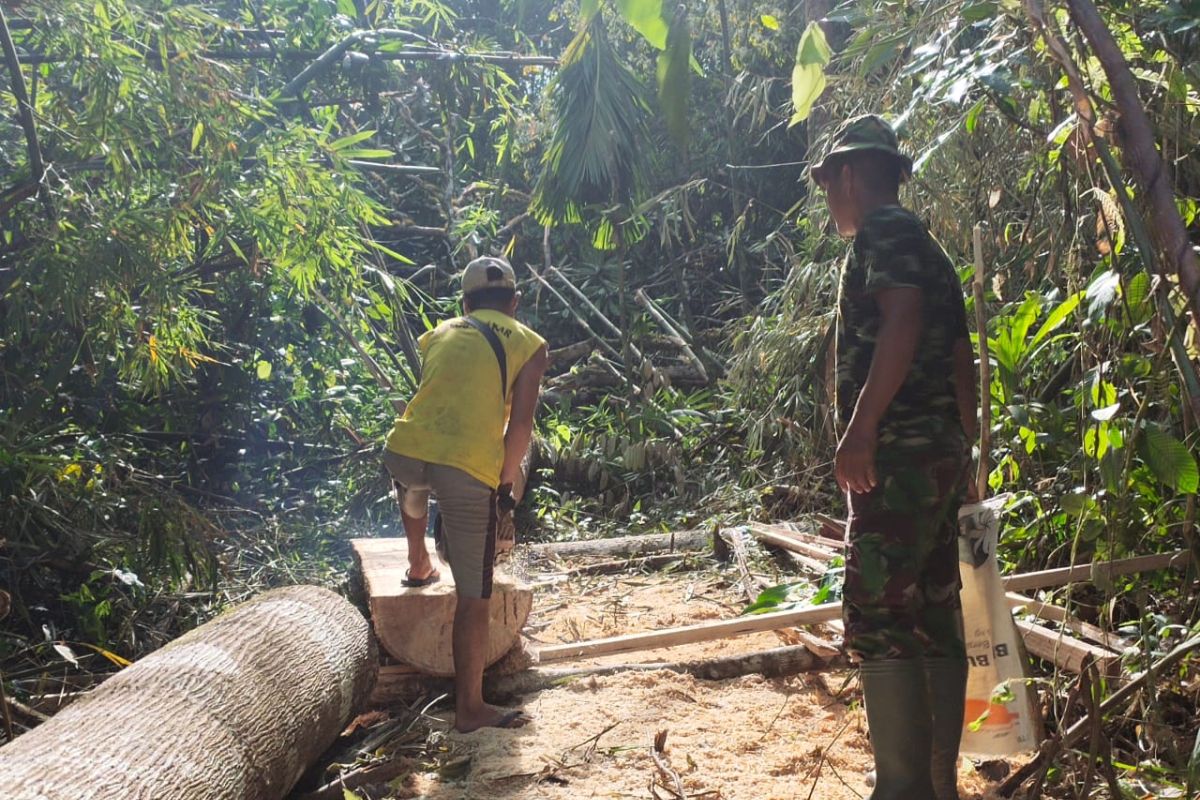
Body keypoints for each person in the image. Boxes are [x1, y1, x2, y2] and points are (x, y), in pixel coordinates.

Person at [810, 115, 978, 800]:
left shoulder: (886, 232)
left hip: (900, 457)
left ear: (849, 176)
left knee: (879, 612)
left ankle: (902, 789)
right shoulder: (928, 245)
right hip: (936, 456)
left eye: (830, 186)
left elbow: (902, 320)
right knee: (933, 607)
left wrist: (862, 429)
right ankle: (936, 787)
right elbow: (962, 356)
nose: (831, 200)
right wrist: (968, 450)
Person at [382, 255, 548, 733]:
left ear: (465, 303)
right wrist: (501, 491)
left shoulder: (438, 333)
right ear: (514, 304)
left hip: (403, 452)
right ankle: (470, 710)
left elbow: (437, 399)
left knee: (413, 483)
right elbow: (519, 430)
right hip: (464, 471)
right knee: (475, 599)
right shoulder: (530, 344)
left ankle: (418, 561)